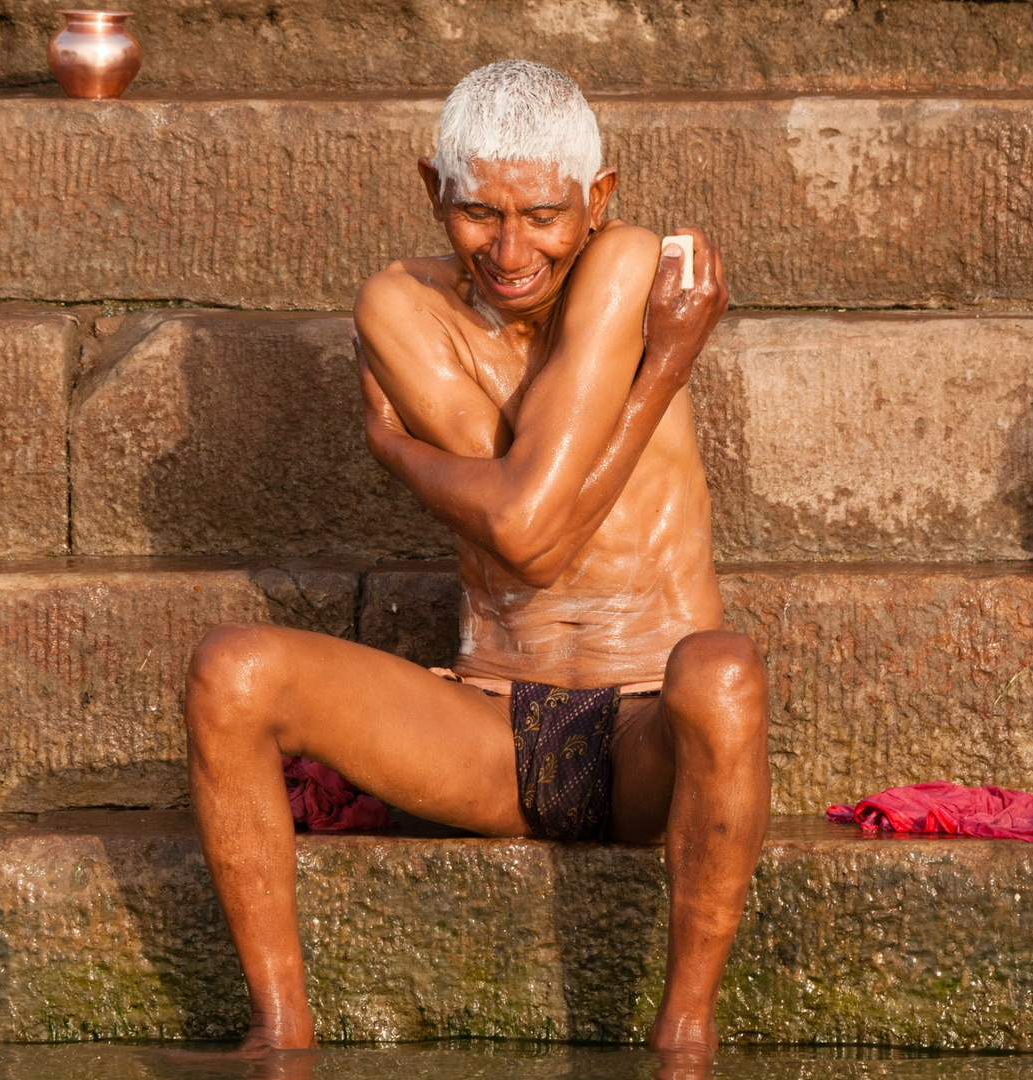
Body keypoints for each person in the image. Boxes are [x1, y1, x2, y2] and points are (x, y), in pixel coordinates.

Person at [185, 60, 767, 1060]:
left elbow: (529, 528)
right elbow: (525, 536)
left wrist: (396, 450)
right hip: (489, 727)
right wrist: (661, 370)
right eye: (476, 214)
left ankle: (686, 1037)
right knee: (228, 671)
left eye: (544, 215)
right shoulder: (399, 307)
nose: (511, 250)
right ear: (430, 191)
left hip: (646, 737)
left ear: (599, 199)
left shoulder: (629, 263)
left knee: (721, 674)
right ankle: (280, 1031)